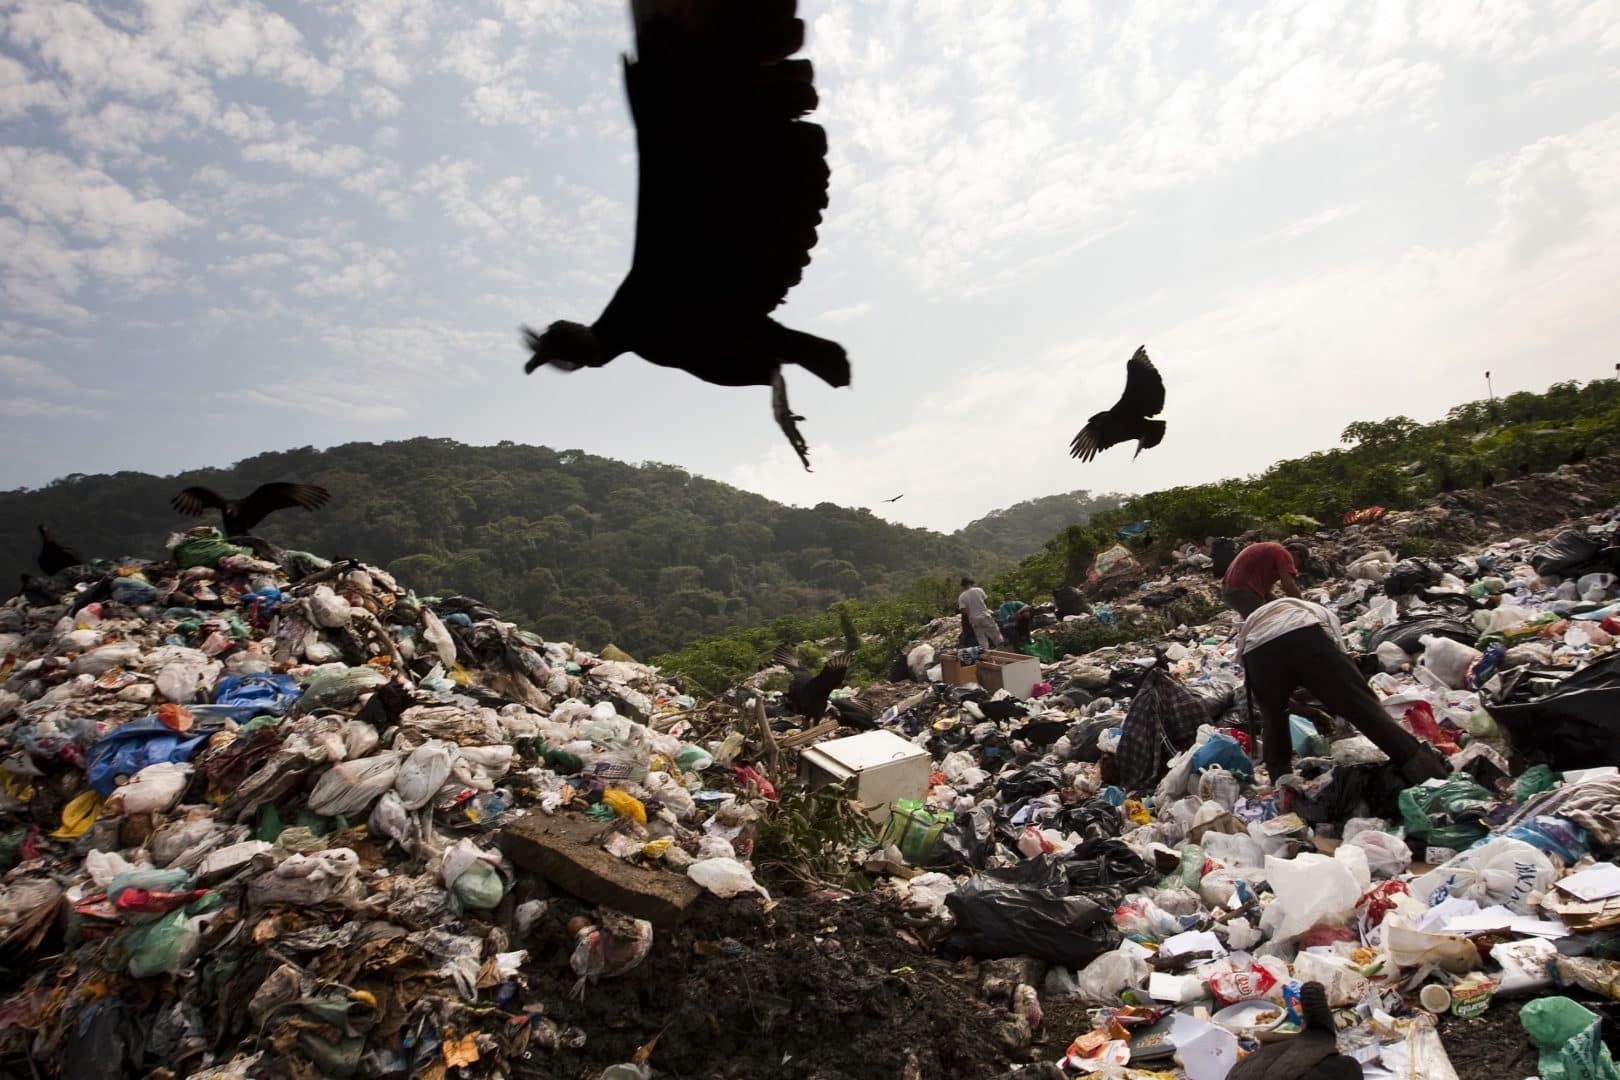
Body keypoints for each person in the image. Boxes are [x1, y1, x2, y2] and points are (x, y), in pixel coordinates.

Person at [1238, 596, 1450, 786]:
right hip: (1303, 634)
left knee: (1274, 719)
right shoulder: (1321, 616)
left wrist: (1312, 711)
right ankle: (1430, 776)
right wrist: (1351, 698)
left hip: (1255, 650)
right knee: (1363, 708)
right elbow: (1343, 674)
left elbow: (1276, 699)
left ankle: (1281, 786)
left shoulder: (1262, 620)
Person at [1223, 541, 1302, 617]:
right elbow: (1289, 585)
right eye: (1300, 563)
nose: (1294, 567)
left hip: (1229, 592)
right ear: (1296, 553)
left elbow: (1266, 594)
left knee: (1256, 623)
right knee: (1264, 625)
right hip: (1245, 592)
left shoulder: (1270, 551)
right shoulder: (1284, 553)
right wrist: (1303, 607)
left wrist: (1281, 605)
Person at [957, 577, 1004, 649]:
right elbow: (985, 601)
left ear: (963, 585)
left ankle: (986, 651)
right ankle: (1001, 647)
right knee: (994, 632)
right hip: (984, 615)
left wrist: (971, 615)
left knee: (981, 637)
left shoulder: (961, 596)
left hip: (974, 619)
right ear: (970, 583)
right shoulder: (979, 590)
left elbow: (963, 611)